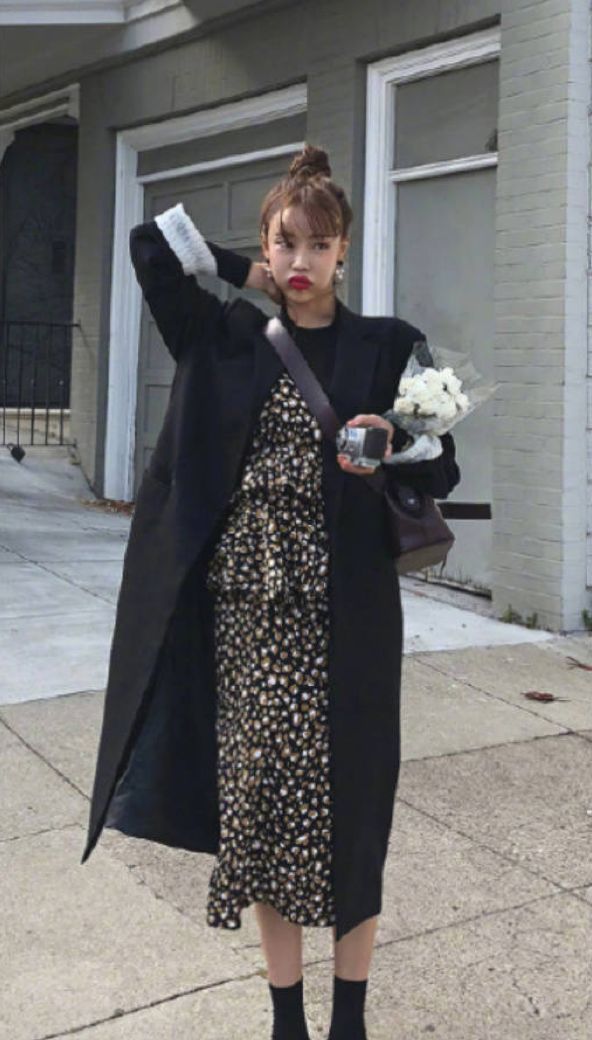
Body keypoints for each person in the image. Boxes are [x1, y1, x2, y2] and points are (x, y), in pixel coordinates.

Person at [82, 143, 460, 1040]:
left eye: (318, 245)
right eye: (286, 242)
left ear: (344, 250)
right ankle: (287, 1017)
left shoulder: (388, 345)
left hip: (349, 610)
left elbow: (443, 466)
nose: (301, 261)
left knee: (354, 808)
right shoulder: (227, 336)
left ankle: (348, 1018)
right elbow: (147, 244)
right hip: (248, 614)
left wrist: (394, 440)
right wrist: (240, 273)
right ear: (266, 244)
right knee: (259, 813)